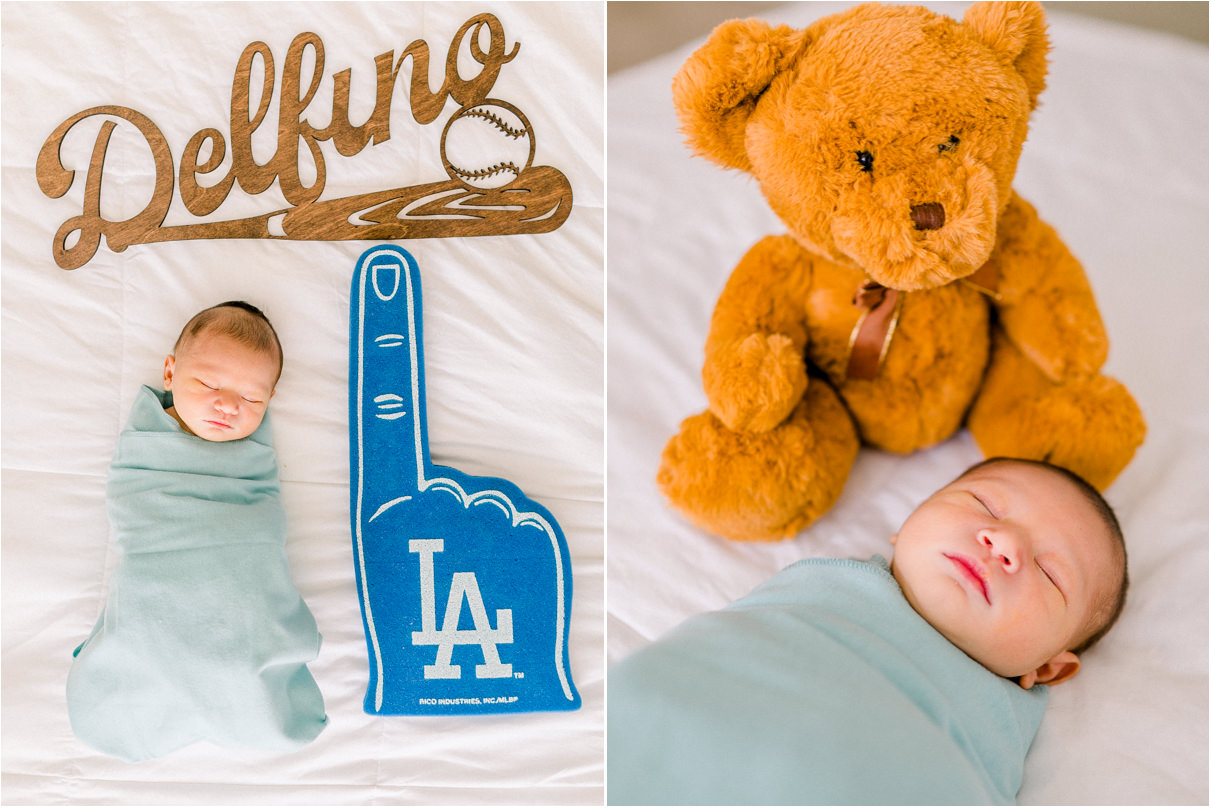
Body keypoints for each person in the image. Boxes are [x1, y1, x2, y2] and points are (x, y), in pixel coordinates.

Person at [607, 457, 1128, 805]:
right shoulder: (822, 587)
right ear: (907, 525)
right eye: (985, 506)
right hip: (684, 726)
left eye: (1050, 573)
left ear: (1047, 668)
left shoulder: (998, 731)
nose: (1002, 542)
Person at [66, 302, 327, 763]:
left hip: (244, 594)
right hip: (157, 582)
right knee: (150, 643)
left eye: (252, 398)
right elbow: (135, 511)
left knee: (241, 652)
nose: (228, 405)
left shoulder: (253, 462)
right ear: (169, 372)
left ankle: (247, 700)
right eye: (208, 383)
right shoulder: (146, 451)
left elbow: (261, 529)